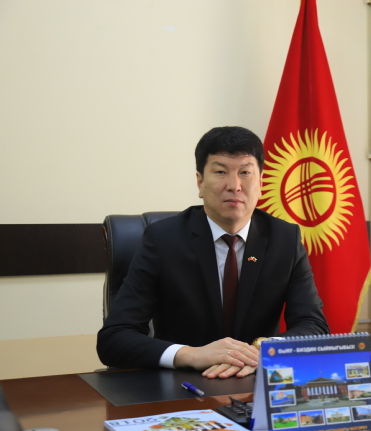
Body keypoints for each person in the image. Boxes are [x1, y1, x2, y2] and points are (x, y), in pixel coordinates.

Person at [97, 126, 329, 378]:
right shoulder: (163, 239)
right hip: (184, 384)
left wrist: (262, 351)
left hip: (255, 380)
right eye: (220, 172)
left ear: (261, 182)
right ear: (200, 182)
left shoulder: (284, 238)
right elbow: (114, 338)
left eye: (245, 172)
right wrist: (191, 355)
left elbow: (313, 326)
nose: (235, 186)